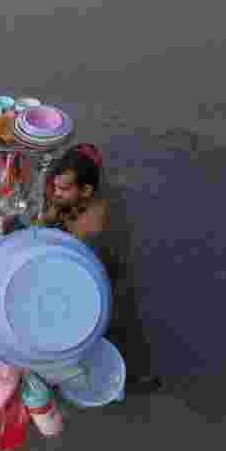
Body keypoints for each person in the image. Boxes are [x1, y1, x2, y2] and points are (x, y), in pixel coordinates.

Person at [43, 143, 164, 394]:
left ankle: (135, 376)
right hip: (84, 264)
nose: (56, 192)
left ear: (86, 190)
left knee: (115, 326)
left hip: (101, 279)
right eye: (55, 186)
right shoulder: (74, 196)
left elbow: (76, 271)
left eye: (63, 189)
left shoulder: (95, 228)